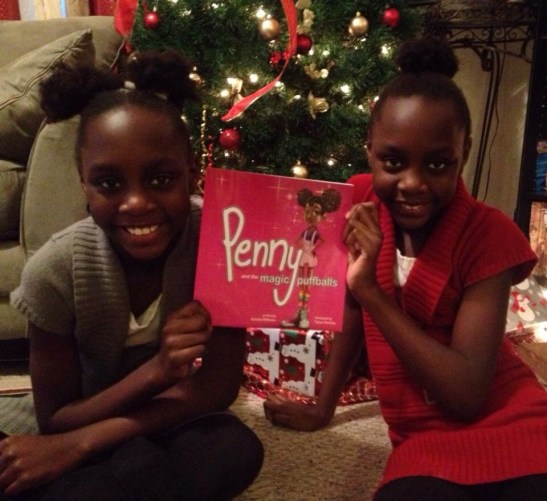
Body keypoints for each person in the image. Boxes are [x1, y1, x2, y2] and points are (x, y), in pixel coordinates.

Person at [264, 37, 547, 499]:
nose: (412, 183)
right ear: (369, 150)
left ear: (465, 152)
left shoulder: (488, 234)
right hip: (424, 439)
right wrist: (322, 408)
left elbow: (466, 396)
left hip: (512, 420)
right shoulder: (359, 202)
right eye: (393, 161)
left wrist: (373, 294)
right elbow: (351, 313)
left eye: (438, 164)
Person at [1, 49, 263, 500]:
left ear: (192, 173)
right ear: (83, 183)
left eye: (161, 180)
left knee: (233, 448)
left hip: (169, 418)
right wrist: (158, 370)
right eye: (109, 183)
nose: (137, 203)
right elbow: (56, 419)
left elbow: (216, 389)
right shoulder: (53, 271)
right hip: (84, 413)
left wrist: (79, 446)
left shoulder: (224, 244)